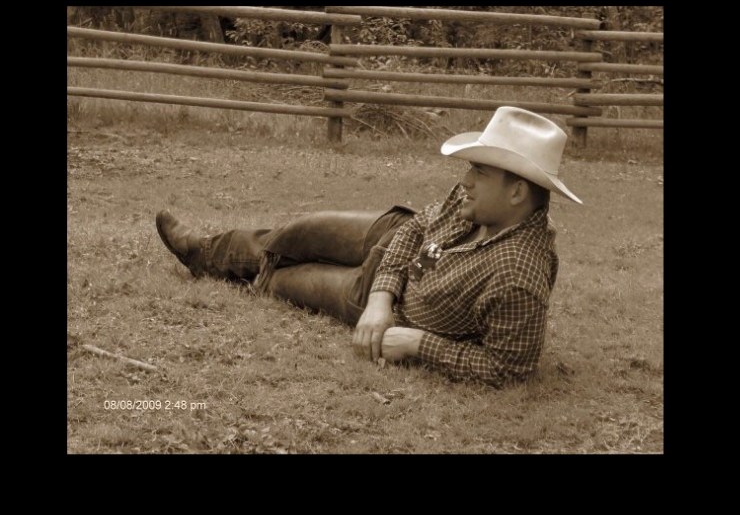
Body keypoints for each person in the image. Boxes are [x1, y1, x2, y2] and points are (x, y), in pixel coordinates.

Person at [156, 106, 582, 388]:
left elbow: (508, 370)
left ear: (517, 193)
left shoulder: (517, 276)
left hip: (385, 303)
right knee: (295, 232)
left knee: (283, 281)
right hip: (389, 243)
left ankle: (223, 264)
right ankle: (206, 252)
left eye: (481, 172)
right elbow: (418, 226)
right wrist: (382, 296)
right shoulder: (475, 201)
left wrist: (416, 343)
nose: (466, 180)